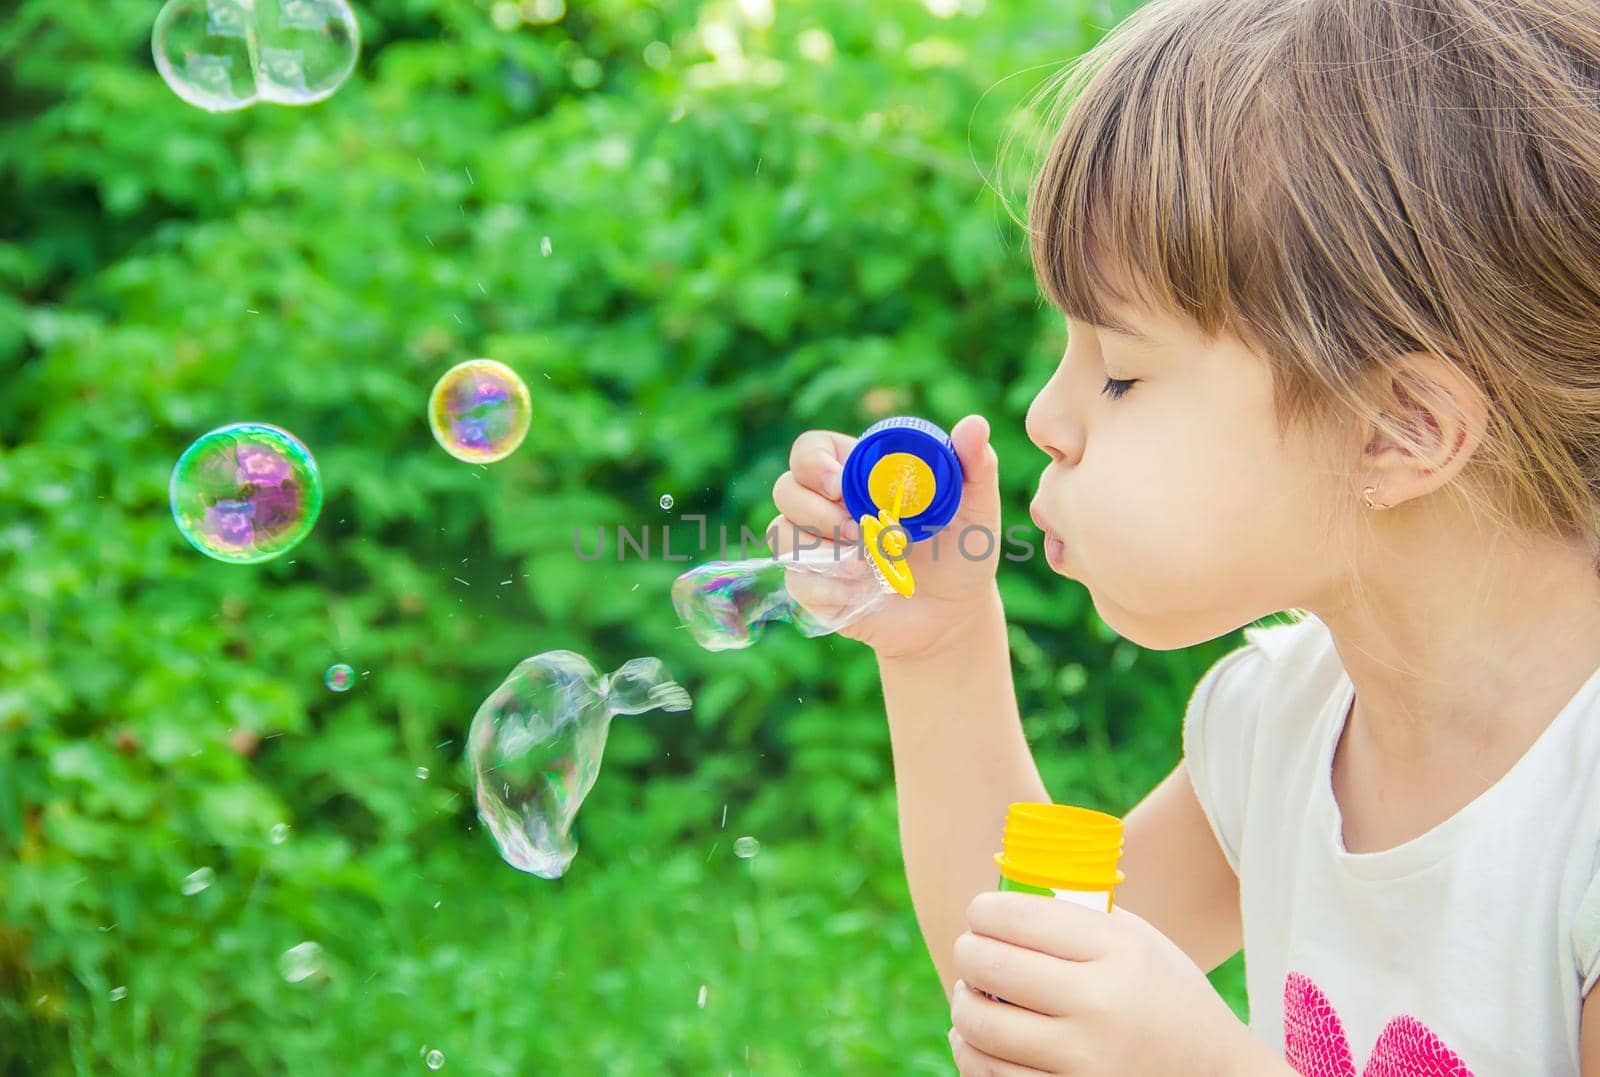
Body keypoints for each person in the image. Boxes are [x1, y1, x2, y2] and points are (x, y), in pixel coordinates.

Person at [768, 0, 1600, 1072]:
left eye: (1118, 370)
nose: (1043, 419)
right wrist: (939, 646)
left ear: (1399, 432)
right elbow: (1024, 982)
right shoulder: (1287, 723)